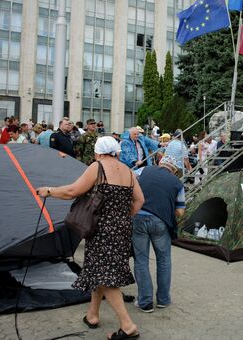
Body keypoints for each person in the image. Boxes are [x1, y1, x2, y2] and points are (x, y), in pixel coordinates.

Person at [36, 136, 144, 340]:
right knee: (100, 270)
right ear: (116, 152)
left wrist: (48, 191)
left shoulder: (98, 166)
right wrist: (122, 216)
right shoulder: (129, 172)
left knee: (105, 275)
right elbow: (140, 199)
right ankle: (92, 315)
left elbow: (72, 191)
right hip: (121, 229)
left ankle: (128, 326)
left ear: (98, 152)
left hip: (101, 231)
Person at [132, 155, 185, 313]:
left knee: (141, 261)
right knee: (164, 261)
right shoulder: (178, 183)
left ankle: (145, 302)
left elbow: (128, 180)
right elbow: (180, 212)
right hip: (161, 222)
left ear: (160, 163)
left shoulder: (143, 170)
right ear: (174, 170)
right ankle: (163, 300)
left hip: (138, 219)